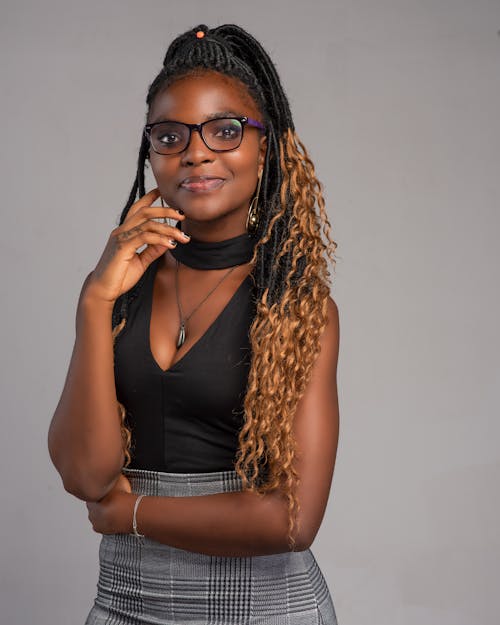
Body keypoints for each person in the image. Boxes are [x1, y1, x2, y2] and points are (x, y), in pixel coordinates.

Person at [48, 23, 340, 625]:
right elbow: (85, 473)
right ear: (150, 151)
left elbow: (291, 520)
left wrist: (130, 514)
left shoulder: (294, 305)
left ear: (268, 148)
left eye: (225, 131)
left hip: (264, 609)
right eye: (170, 135)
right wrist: (94, 303)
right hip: (126, 603)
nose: (196, 152)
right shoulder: (119, 292)